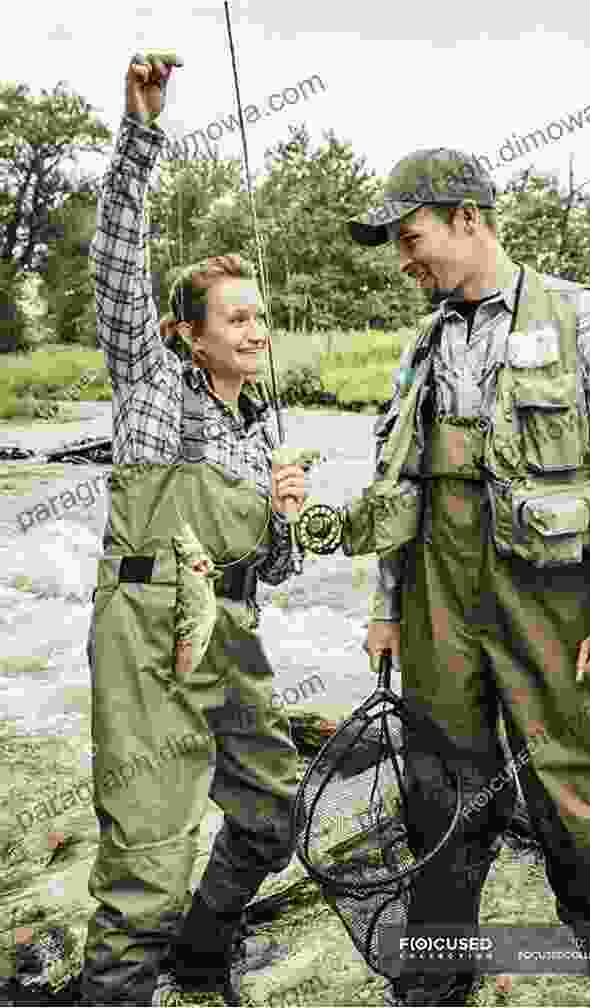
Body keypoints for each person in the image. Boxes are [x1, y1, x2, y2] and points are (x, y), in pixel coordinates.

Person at [349, 149, 590, 1007]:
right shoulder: (425, 340)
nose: (404, 260)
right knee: (439, 801)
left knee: (579, 802)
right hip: (437, 607)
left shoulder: (583, 318)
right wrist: (388, 605)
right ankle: (438, 984)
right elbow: (398, 484)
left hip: (553, 604)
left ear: (468, 218)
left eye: (411, 238)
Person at [75, 52, 310, 1007]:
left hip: (231, 631)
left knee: (270, 815)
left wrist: (289, 521)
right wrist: (141, 131)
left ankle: (204, 954)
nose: (258, 332)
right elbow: (116, 260)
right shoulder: (151, 388)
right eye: (239, 318)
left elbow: (277, 569)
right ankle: (120, 989)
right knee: (146, 862)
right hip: (146, 630)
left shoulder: (263, 427)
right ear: (188, 333)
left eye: (263, 318)